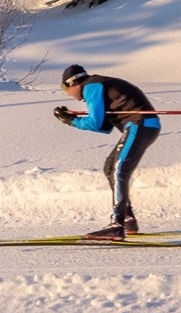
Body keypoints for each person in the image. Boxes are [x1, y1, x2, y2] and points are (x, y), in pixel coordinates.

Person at [53, 64, 162, 239]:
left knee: (119, 170)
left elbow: (95, 122)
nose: (67, 93)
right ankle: (127, 218)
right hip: (143, 125)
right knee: (110, 168)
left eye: (64, 88)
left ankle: (117, 225)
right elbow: (104, 127)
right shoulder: (97, 85)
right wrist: (72, 119)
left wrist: (71, 121)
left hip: (139, 124)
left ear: (73, 83)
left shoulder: (91, 86)